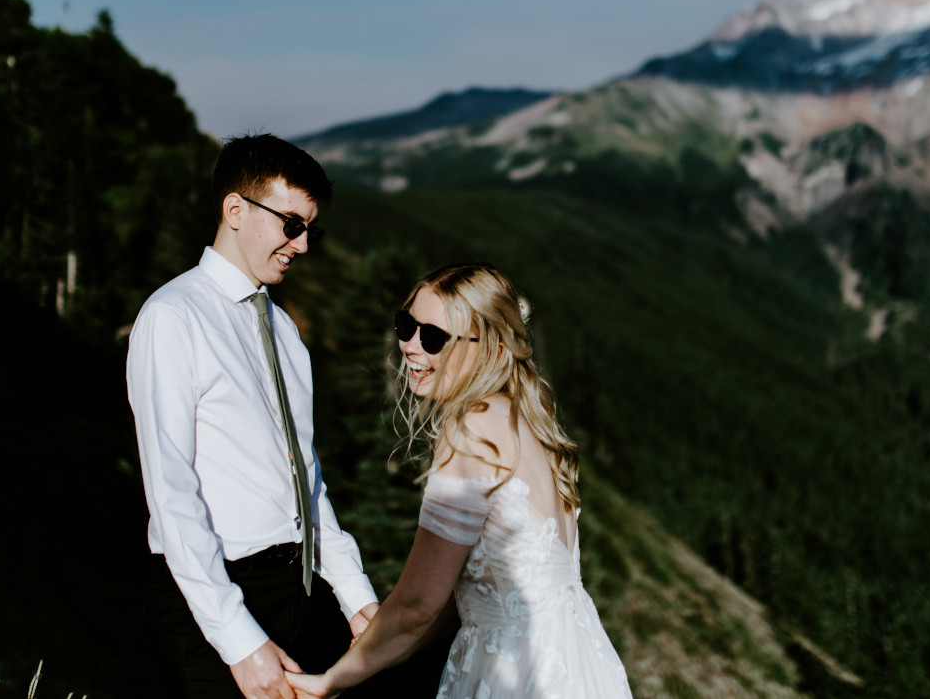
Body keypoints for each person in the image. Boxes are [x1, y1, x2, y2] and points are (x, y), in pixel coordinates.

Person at [288, 263, 633, 699]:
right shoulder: (524, 422)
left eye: (432, 337)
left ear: (484, 346)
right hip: (578, 663)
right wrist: (384, 643)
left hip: (515, 673)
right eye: (406, 325)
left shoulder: (472, 428)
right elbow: (469, 596)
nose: (410, 346)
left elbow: (417, 604)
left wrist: (334, 679)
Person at [127, 134, 381, 699]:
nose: (304, 244)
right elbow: (171, 493)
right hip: (217, 586)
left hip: (300, 584)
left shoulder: (286, 332)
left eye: (311, 229)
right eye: (292, 224)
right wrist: (238, 640)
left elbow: (305, 478)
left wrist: (357, 596)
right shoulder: (172, 317)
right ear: (234, 210)